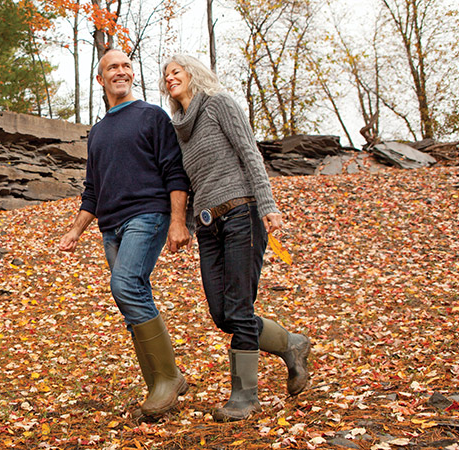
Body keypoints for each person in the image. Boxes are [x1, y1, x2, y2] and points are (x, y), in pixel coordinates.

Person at [160, 54, 311, 422]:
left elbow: (249, 153)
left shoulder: (218, 104)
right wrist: (183, 224)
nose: (169, 78)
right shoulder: (179, 126)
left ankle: (244, 395)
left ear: (193, 73)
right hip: (208, 225)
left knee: (239, 309)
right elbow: (188, 182)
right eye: (165, 75)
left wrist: (268, 205)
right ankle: (291, 344)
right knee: (221, 312)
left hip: (242, 212)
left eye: (175, 71)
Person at [59, 48, 192, 417]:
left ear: (132, 75)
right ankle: (161, 385)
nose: (121, 71)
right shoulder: (98, 132)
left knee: (125, 284)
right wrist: (75, 231)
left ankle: (168, 377)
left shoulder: (152, 116)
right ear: (100, 80)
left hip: (147, 215)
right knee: (130, 298)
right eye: (112, 68)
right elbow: (93, 190)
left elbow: (174, 172)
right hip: (111, 226)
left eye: (126, 66)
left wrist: (178, 221)